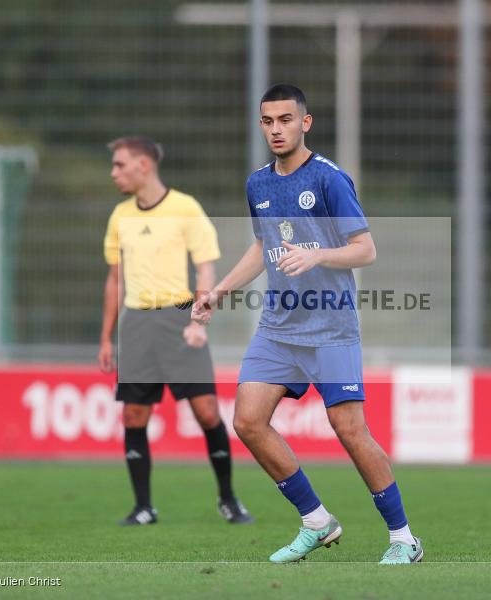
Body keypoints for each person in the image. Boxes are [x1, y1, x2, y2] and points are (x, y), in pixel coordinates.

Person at [192, 84, 422, 564]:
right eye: (268, 121)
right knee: (249, 421)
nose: (277, 129)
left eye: (285, 120)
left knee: (349, 429)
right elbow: (262, 246)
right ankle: (317, 521)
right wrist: (219, 292)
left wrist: (317, 252)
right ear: (262, 125)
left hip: (331, 328)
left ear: (305, 123)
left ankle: (404, 539)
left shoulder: (329, 180)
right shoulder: (258, 183)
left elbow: (366, 249)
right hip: (278, 327)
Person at [99, 135, 252, 526]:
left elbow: (205, 267)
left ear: (143, 166)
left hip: (179, 316)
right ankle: (143, 507)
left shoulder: (185, 208)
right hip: (136, 323)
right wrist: (105, 337)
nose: (114, 172)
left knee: (206, 412)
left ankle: (229, 499)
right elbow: (115, 279)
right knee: (134, 415)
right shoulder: (120, 215)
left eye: (120, 164)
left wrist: (199, 318)